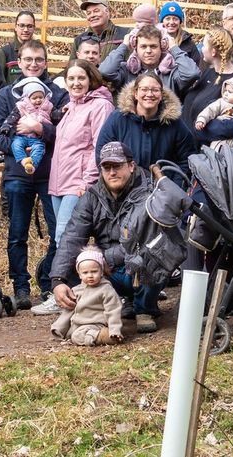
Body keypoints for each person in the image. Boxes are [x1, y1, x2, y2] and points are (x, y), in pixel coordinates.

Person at [0, 41, 69, 309]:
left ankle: (48, 283)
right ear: (18, 62)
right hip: (18, 173)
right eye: (28, 59)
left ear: (46, 62)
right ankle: (20, 286)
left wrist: (40, 129)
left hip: (51, 174)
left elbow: (69, 135)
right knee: (17, 233)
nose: (33, 64)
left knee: (58, 231)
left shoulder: (57, 93)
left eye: (39, 60)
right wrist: (19, 147)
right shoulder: (7, 94)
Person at [51, 141, 160, 333]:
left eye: (117, 166)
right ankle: (106, 308)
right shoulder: (92, 196)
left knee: (152, 257)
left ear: (131, 166)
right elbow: (72, 237)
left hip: (136, 261)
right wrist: (58, 280)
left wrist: (104, 258)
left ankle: (145, 308)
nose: (112, 173)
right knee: (82, 265)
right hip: (107, 269)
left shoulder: (149, 193)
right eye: (106, 167)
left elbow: (141, 238)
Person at [43, 60, 113, 254]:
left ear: (91, 79)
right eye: (71, 78)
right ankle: (75, 281)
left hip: (79, 183)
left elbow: (100, 146)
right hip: (59, 182)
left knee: (65, 238)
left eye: (81, 78)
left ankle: (66, 283)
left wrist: (87, 182)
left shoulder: (100, 106)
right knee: (64, 239)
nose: (76, 83)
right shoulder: (71, 107)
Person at [95, 72, 197, 176]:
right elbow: (102, 153)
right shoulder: (117, 119)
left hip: (163, 188)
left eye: (155, 90)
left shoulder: (174, 124)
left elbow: (187, 159)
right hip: (125, 187)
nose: (149, 94)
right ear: (135, 93)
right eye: (144, 89)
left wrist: (174, 186)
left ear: (161, 95)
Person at [50, 246, 124, 346]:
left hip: (95, 324)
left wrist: (114, 330)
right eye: (85, 272)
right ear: (79, 274)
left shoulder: (106, 289)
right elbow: (69, 310)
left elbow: (113, 310)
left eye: (94, 271)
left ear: (101, 271)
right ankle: (96, 336)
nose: (90, 275)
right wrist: (59, 327)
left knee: (77, 336)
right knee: (71, 333)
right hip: (78, 324)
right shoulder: (76, 290)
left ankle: (104, 335)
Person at [99, 25, 200, 93]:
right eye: (143, 46)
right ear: (135, 47)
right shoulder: (127, 70)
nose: (148, 51)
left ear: (162, 46)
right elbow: (105, 71)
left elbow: (192, 73)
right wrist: (124, 45)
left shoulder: (171, 73)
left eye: (153, 46)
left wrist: (174, 47)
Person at [3, 81, 54, 174]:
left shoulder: (48, 107)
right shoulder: (22, 106)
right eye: (34, 98)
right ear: (27, 98)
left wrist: (61, 112)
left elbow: (54, 115)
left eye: (40, 97)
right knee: (16, 145)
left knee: (40, 148)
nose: (38, 100)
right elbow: (12, 117)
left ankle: (32, 165)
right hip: (22, 136)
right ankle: (23, 160)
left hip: (37, 138)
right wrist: (6, 126)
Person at [0, 11, 37, 85]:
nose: (26, 30)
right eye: (22, 25)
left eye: (30, 26)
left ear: (34, 28)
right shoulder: (4, 53)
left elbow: (45, 79)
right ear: (15, 27)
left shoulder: (39, 52)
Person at [159, 1, 202, 66]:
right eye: (167, 19)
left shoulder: (189, 44)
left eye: (175, 19)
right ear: (162, 21)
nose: (171, 22)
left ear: (180, 22)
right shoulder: (156, 41)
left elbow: (197, 68)